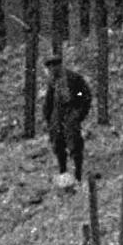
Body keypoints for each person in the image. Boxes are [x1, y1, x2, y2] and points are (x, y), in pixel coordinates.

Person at [41, 51, 93, 180]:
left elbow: (84, 94)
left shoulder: (73, 78)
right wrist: (48, 118)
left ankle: (78, 174)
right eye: (50, 66)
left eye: (55, 65)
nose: (52, 68)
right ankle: (63, 171)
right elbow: (49, 101)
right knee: (58, 144)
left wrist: (79, 112)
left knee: (74, 143)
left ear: (60, 65)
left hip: (71, 112)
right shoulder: (52, 82)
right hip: (57, 115)